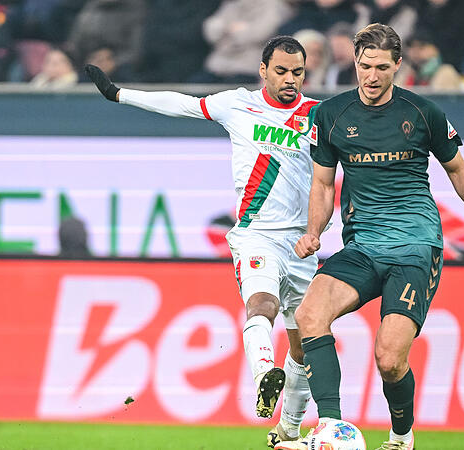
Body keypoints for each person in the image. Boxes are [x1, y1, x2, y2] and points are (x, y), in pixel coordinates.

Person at [278, 23, 464, 450]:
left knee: (389, 359)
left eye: (382, 67)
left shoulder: (423, 113)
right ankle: (331, 427)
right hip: (363, 246)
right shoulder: (330, 115)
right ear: (354, 62)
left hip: (415, 248)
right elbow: (323, 185)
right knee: (308, 316)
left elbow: (457, 168)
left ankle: (401, 438)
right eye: (365, 66)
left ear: (398, 66)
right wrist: (314, 232)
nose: (371, 76)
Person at [85, 36, 319, 448]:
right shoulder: (237, 103)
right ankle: (265, 371)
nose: (289, 80)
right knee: (262, 303)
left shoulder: (320, 114)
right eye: (280, 71)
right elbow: (182, 103)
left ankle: (289, 428)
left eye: (297, 72)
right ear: (263, 70)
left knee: (305, 342)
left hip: (303, 244)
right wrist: (120, 94)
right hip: (256, 235)